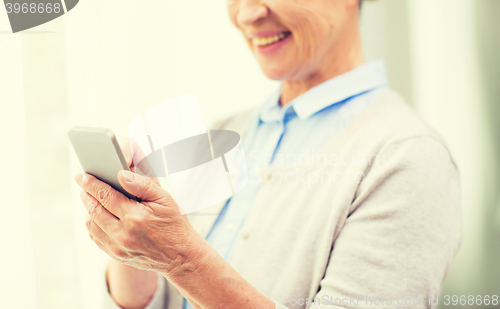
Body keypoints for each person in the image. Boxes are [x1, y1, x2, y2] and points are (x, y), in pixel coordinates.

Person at [75, 0, 462, 308]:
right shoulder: (229, 131)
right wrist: (130, 243)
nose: (247, 13)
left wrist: (181, 257)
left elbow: (187, 266)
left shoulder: (408, 158)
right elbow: (162, 299)